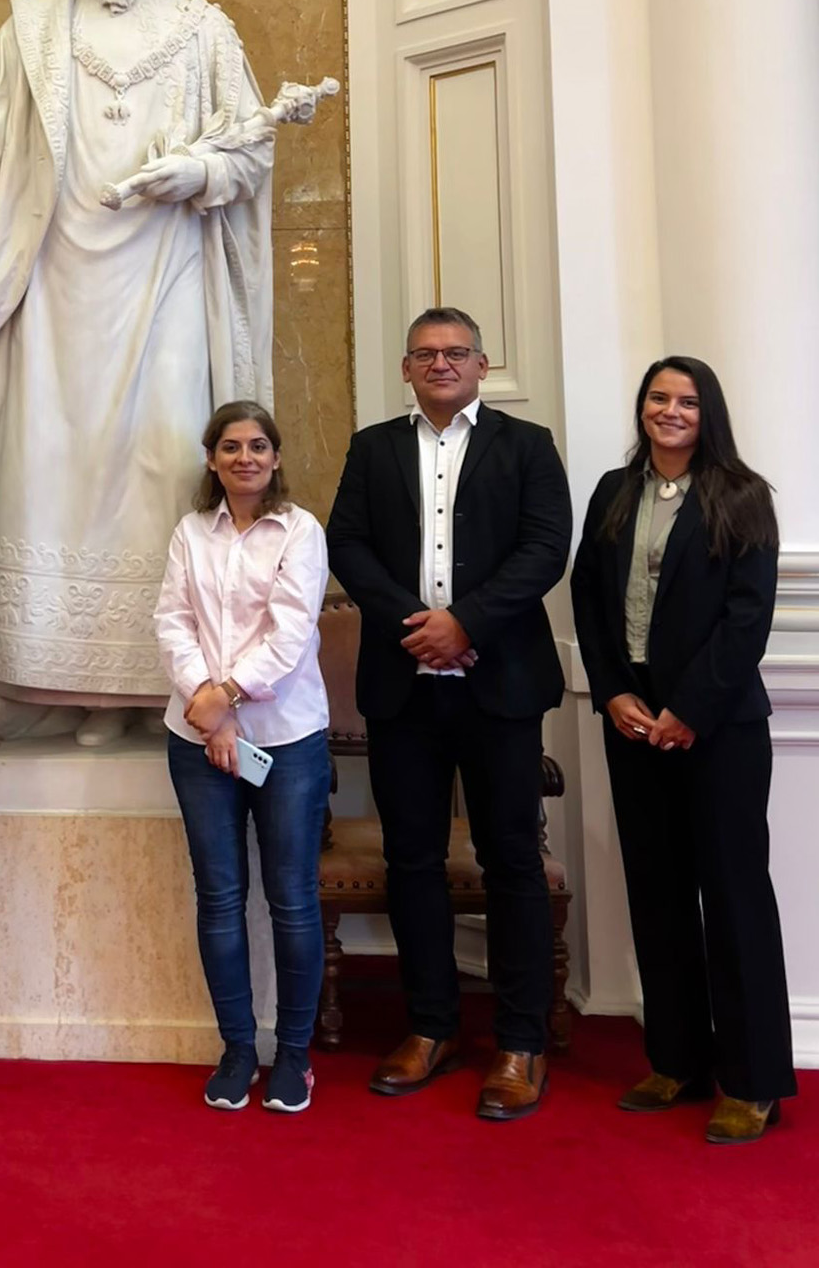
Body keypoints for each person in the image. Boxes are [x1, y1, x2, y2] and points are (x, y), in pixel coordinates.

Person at [0, 0, 276, 743]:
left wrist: (198, 172)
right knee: (46, 471)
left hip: (168, 287)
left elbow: (252, 151)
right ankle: (55, 683)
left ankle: (153, 689)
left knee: (167, 465)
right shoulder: (33, 26)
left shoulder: (205, 31)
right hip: (51, 295)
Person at [327, 306, 572, 1121]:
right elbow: (346, 545)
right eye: (426, 353)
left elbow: (545, 548)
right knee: (412, 861)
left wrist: (465, 624)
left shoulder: (526, 446)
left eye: (456, 352)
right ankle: (430, 1027)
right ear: (406, 368)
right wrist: (418, 627)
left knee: (512, 861)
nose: (441, 363)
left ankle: (520, 1041)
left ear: (481, 364)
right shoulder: (373, 448)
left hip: (501, 685)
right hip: (403, 686)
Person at [570, 356, 795, 1144]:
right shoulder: (613, 491)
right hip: (633, 721)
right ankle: (678, 1061)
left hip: (720, 728)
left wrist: (689, 710)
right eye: (658, 398)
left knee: (733, 898)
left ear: (709, 413)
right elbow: (588, 597)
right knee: (657, 895)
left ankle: (753, 1082)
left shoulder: (742, 495)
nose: (670, 411)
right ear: (642, 408)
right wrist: (614, 692)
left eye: (688, 401)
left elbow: (748, 618)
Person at [156, 401, 330, 1114]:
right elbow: (172, 621)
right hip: (196, 737)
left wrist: (226, 697)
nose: (245, 457)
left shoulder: (301, 530)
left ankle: (294, 1055)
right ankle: (236, 1049)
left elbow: (292, 632)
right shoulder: (190, 532)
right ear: (212, 459)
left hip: (286, 738)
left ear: (276, 457)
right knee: (220, 897)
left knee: (292, 900)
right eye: (230, 446)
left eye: (258, 445)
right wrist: (206, 704)